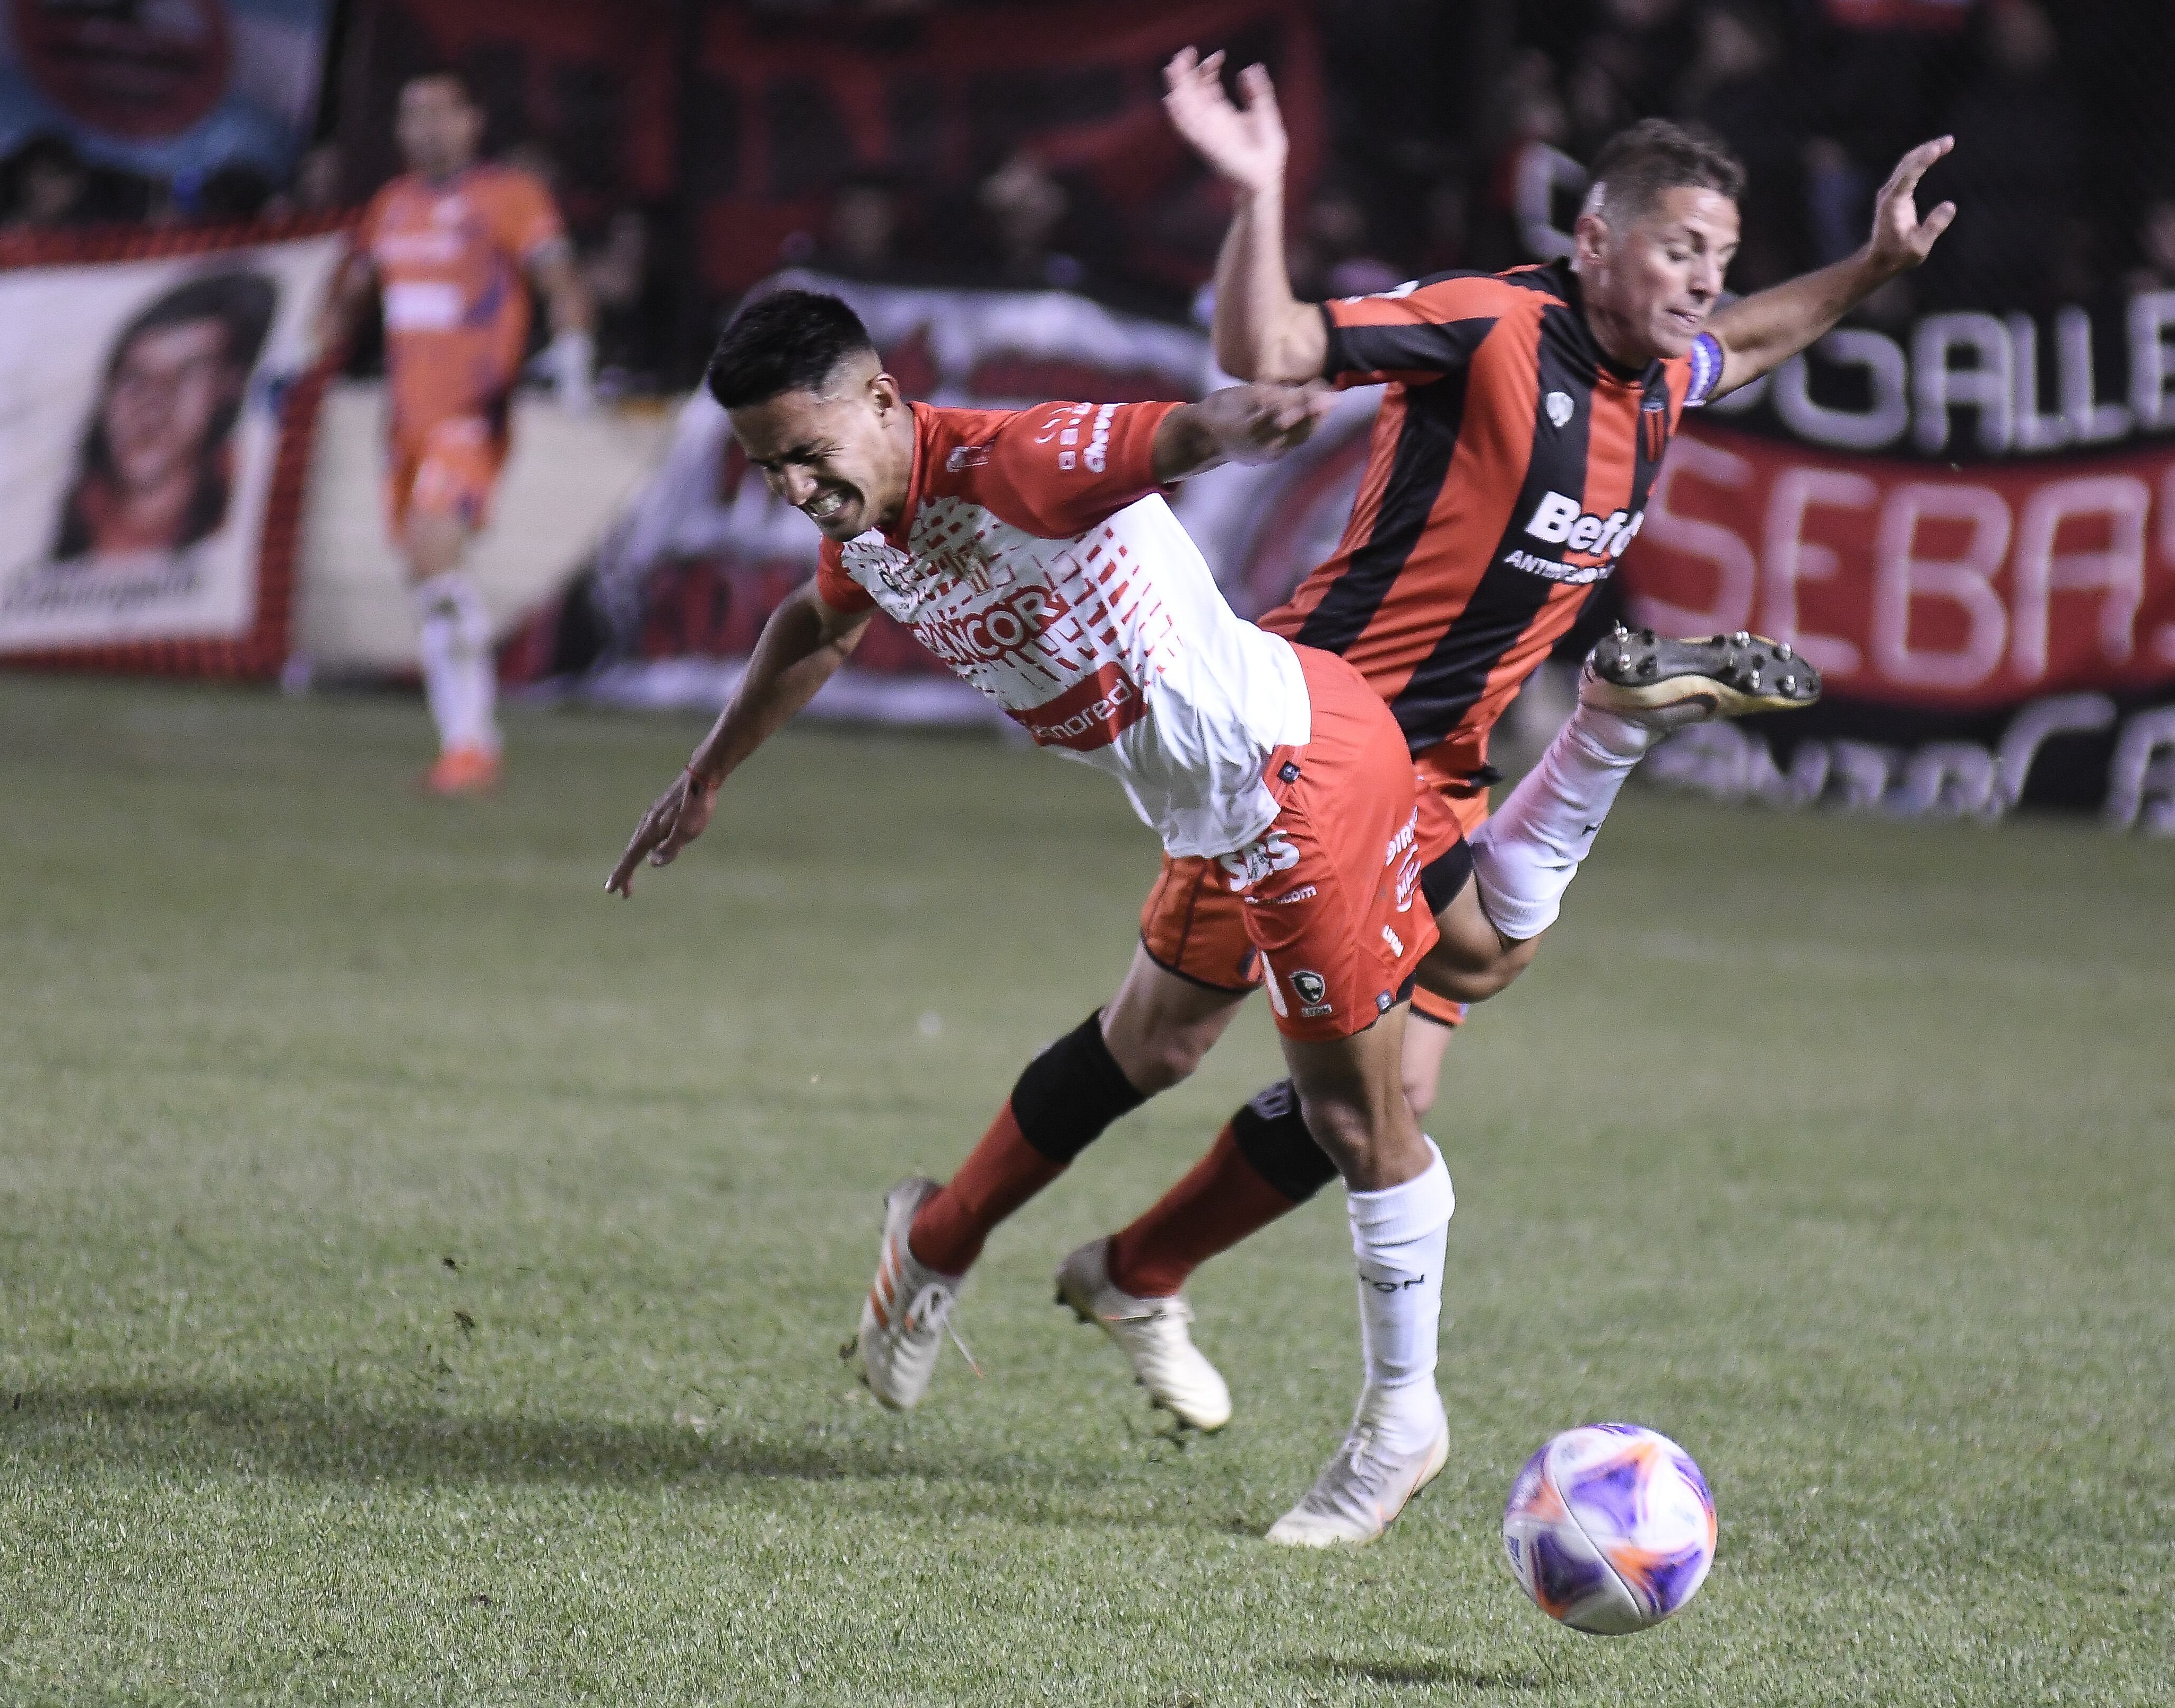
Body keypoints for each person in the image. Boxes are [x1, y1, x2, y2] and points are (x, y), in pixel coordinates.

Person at [604, 287, 1812, 1548]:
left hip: (1291, 780)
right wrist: (708, 772)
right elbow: (818, 624)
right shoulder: (867, 526)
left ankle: (1403, 1422)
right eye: (768, 468)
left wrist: (1257, 417)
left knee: (1369, 1106)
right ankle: (944, 1243)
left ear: (884, 402)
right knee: (1167, 1040)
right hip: (1232, 793)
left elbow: (1178, 435)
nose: (795, 488)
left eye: (807, 454)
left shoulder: (1022, 463)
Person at [1010, 56, 1959, 1444]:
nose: (1703, 278)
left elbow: (1745, 344)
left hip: (1441, 774)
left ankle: (1135, 1271)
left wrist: (1871, 263)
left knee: (1393, 1086)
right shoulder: (1488, 325)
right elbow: (1272, 348)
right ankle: (954, 1243)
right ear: (1592, 239)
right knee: (1167, 1039)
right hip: (1310, 741)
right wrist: (1260, 191)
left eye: (1718, 256)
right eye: (1678, 247)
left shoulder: (1660, 381)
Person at [314, 71, 594, 796]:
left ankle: (474, 749)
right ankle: (463, 744)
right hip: (404, 423)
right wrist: (298, 362)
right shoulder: (392, 207)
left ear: (472, 122)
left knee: (436, 554)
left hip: (471, 415)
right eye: (412, 116)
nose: (425, 129)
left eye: (441, 115)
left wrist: (573, 354)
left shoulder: (509, 197)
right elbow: (348, 298)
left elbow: (561, 279)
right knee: (425, 574)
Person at [52, 272, 278, 565]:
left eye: (186, 375)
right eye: (134, 379)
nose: (152, 405)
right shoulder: (55, 517)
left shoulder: (251, 505)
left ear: (230, 388)